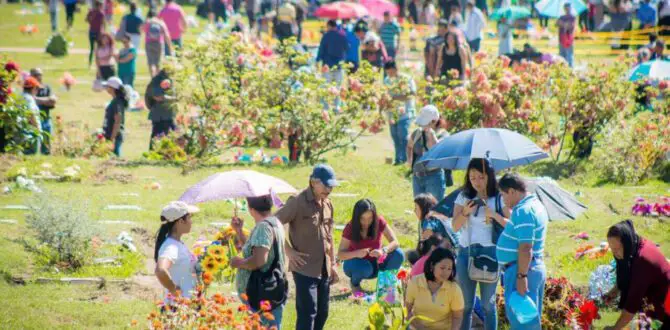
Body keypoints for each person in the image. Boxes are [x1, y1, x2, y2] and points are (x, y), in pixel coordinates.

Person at [275, 164, 339, 330]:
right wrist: (289, 251)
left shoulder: (328, 204)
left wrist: (332, 264)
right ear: (313, 182)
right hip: (304, 268)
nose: (329, 189)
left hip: (324, 267)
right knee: (308, 312)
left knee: (322, 313)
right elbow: (274, 224)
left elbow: (329, 237)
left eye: (331, 186)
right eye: (326, 185)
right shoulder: (297, 201)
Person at [452, 158, 510, 330]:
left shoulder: (499, 197)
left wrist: (494, 215)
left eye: (481, 177)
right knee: (466, 304)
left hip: (491, 253)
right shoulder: (464, 196)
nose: (477, 182)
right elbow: (455, 227)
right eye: (472, 177)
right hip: (466, 252)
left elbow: (511, 225)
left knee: (488, 305)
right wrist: (465, 212)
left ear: (489, 176)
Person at [496, 173, 548, 330]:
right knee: (528, 320)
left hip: (522, 269)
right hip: (530, 267)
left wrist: (521, 276)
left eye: (503, 195)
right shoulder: (535, 205)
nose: (503, 200)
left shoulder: (523, 211)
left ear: (512, 191)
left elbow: (526, 247)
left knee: (523, 323)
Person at [230, 195, 287, 329]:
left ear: (251, 209)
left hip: (261, 292)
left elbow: (259, 260)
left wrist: (238, 263)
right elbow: (255, 250)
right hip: (269, 289)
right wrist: (239, 231)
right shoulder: (274, 222)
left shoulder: (263, 227)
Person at [602, 220, 670, 329]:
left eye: (616, 249)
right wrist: (615, 290)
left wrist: (614, 329)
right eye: (612, 249)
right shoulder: (635, 245)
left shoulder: (643, 262)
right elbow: (627, 273)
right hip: (653, 304)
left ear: (627, 243)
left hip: (666, 308)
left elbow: (631, 308)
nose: (614, 253)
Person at [339, 199, 404, 293]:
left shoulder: (379, 221)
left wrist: (383, 251)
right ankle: (355, 284)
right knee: (365, 267)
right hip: (357, 265)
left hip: (376, 264)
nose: (366, 222)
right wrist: (357, 253)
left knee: (398, 254)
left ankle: (386, 286)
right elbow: (340, 254)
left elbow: (395, 242)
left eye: (370, 218)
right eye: (362, 218)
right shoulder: (350, 227)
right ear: (357, 217)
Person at [405, 247, 464, 330]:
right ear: (432, 265)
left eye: (449, 269)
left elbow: (457, 317)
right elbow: (407, 311)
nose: (446, 272)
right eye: (442, 268)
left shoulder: (454, 289)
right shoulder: (415, 282)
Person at [154, 201, 200, 302]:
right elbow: (160, 270)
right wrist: (175, 291)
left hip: (185, 304)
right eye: (189, 217)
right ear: (180, 221)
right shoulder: (171, 247)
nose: (191, 221)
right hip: (177, 307)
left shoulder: (177, 243)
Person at [407, 193, 459, 264]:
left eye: (416, 208)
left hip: (449, 255)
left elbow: (427, 239)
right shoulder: (440, 215)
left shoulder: (428, 220)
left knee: (411, 255)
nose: (414, 211)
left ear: (423, 208)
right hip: (458, 251)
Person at [407, 105, 445, 199]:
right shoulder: (417, 133)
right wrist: (409, 159)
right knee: (420, 208)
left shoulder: (441, 134)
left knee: (434, 209)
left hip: (433, 177)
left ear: (434, 121)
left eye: (424, 123)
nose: (421, 126)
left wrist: (430, 135)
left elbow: (436, 153)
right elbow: (409, 146)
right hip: (417, 177)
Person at [384, 61, 415, 165]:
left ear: (396, 69)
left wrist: (394, 98)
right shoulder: (387, 80)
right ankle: (398, 159)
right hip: (392, 113)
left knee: (403, 136)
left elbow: (411, 94)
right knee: (395, 137)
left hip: (405, 113)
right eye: (388, 73)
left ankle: (406, 159)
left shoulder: (406, 79)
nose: (389, 75)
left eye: (391, 72)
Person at [316, 20, 349, 113]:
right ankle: (336, 107)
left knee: (325, 87)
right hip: (339, 66)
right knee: (337, 87)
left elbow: (321, 49)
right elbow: (347, 48)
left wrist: (317, 60)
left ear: (329, 26)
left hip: (327, 65)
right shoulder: (342, 35)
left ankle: (325, 108)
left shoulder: (326, 36)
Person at [146, 69, 176, 149]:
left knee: (173, 134)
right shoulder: (157, 80)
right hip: (160, 115)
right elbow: (158, 97)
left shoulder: (169, 79)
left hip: (168, 114)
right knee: (157, 136)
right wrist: (174, 99)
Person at [30, 69, 57, 155]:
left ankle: (45, 157)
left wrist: (37, 100)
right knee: (32, 143)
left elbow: (53, 101)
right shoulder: (29, 88)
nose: (38, 77)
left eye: (40, 74)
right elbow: (29, 100)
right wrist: (46, 100)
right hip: (32, 119)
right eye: (36, 75)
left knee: (46, 144)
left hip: (46, 119)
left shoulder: (46, 87)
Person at [102, 77, 127, 157]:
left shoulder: (117, 102)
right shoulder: (115, 100)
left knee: (116, 158)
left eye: (107, 86)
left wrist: (112, 138)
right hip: (110, 134)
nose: (106, 88)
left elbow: (118, 120)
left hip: (115, 136)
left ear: (112, 88)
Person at [144, 10, 172, 77]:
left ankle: (152, 77)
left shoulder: (147, 22)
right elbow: (166, 35)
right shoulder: (160, 22)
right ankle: (157, 78)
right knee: (158, 63)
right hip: (159, 43)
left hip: (149, 43)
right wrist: (170, 46)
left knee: (151, 62)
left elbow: (140, 29)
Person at [21, 77, 42, 155]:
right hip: (31, 133)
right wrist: (37, 129)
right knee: (33, 156)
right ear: (33, 88)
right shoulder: (29, 99)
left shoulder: (20, 96)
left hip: (22, 132)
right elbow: (31, 113)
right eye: (37, 89)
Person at [557, 3, 576, 67]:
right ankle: (562, 69)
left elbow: (570, 26)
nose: (567, 9)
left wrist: (562, 23)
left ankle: (570, 69)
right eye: (566, 8)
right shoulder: (561, 17)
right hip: (561, 38)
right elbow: (557, 23)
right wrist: (564, 24)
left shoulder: (572, 17)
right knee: (561, 55)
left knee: (569, 56)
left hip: (568, 39)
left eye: (568, 7)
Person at [87, 1, 106, 67]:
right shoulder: (101, 13)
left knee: (92, 49)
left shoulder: (91, 12)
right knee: (98, 49)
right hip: (98, 33)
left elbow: (87, 20)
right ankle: (99, 63)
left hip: (91, 32)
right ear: (100, 6)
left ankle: (89, 63)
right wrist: (104, 32)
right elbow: (103, 23)